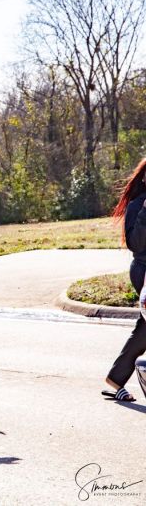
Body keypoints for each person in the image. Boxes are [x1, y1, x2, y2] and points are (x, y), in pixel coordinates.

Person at [104, 158, 146, 402]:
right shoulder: (137, 206)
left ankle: (116, 379)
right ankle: (116, 378)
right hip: (144, 271)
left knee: (144, 330)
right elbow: (136, 244)